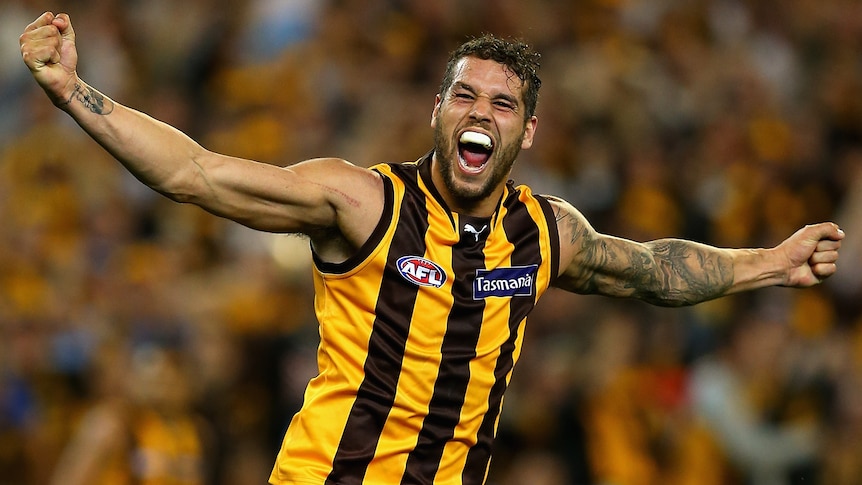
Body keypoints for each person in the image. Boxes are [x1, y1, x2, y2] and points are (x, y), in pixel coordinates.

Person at [20, 11, 844, 485]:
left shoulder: (545, 231)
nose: (479, 111)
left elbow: (653, 271)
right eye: (463, 93)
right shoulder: (361, 201)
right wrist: (73, 95)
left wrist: (770, 263)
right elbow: (195, 173)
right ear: (439, 112)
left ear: (528, 130)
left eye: (502, 102)